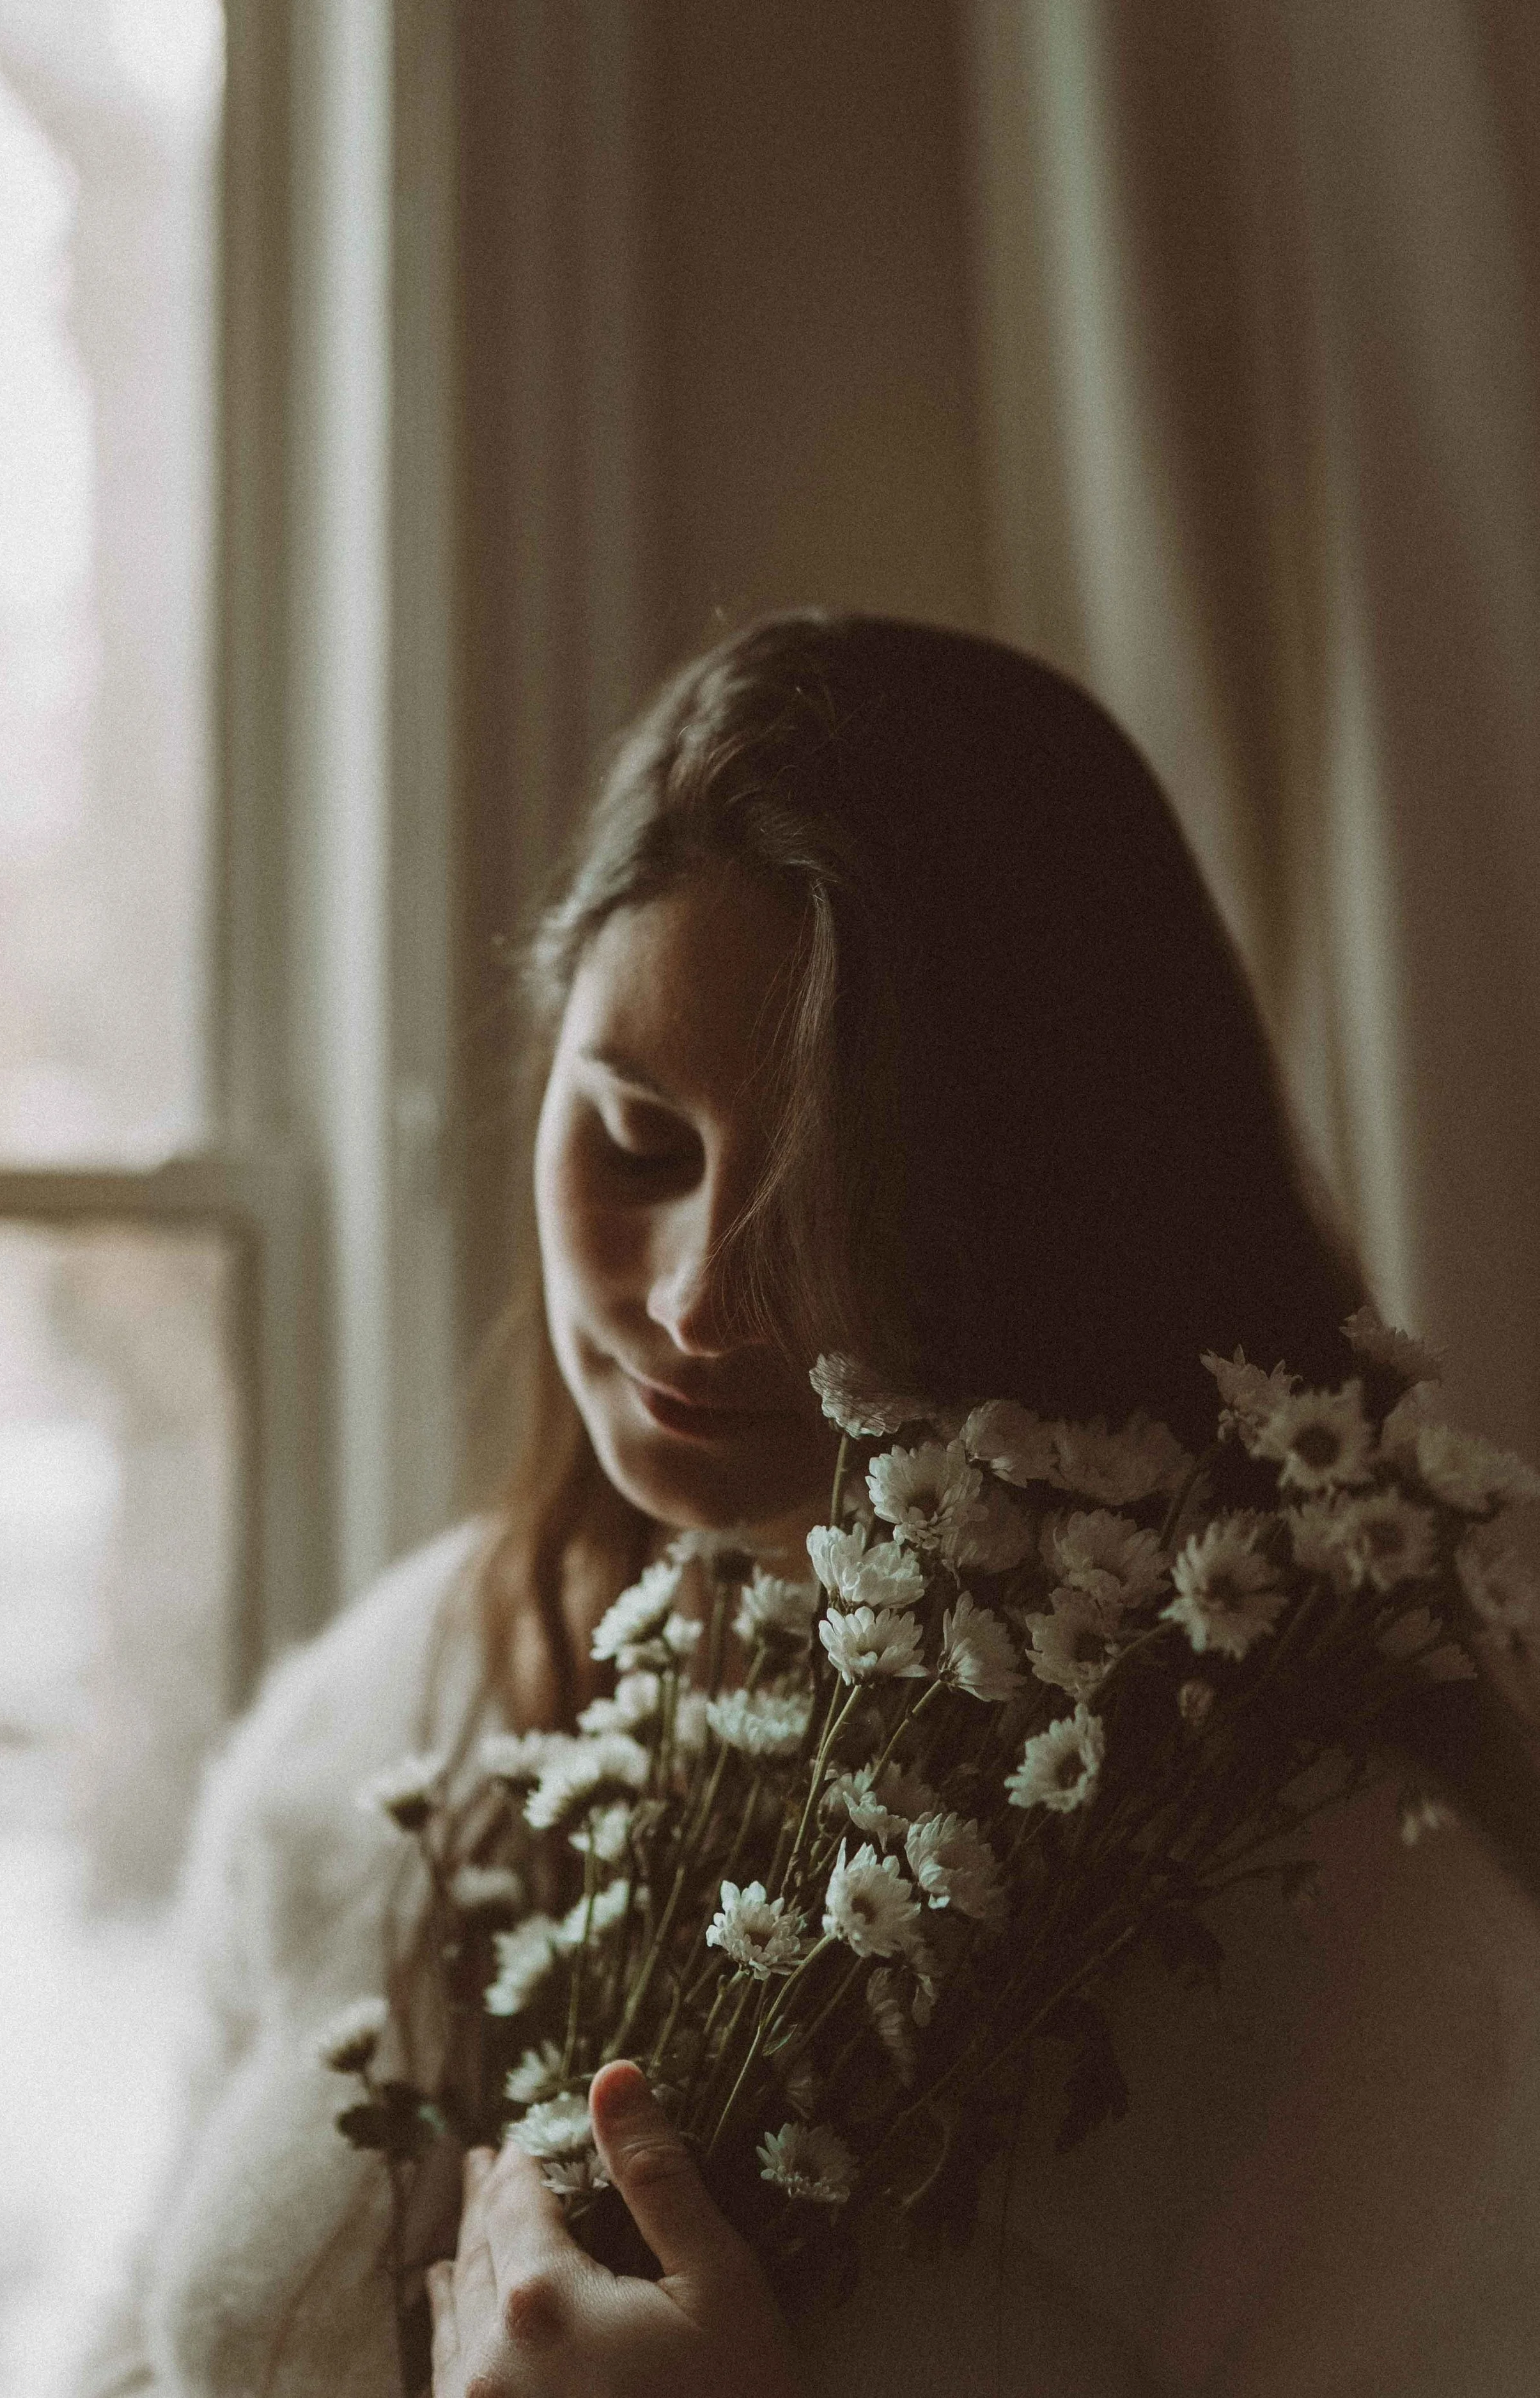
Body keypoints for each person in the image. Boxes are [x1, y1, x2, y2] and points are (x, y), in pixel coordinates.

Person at [77, 614, 1540, 2398]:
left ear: (1055, 1202)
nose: (698, 1303)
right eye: (636, 1145)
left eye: (831, 1198)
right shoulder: (392, 1706)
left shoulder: (1345, 1932)